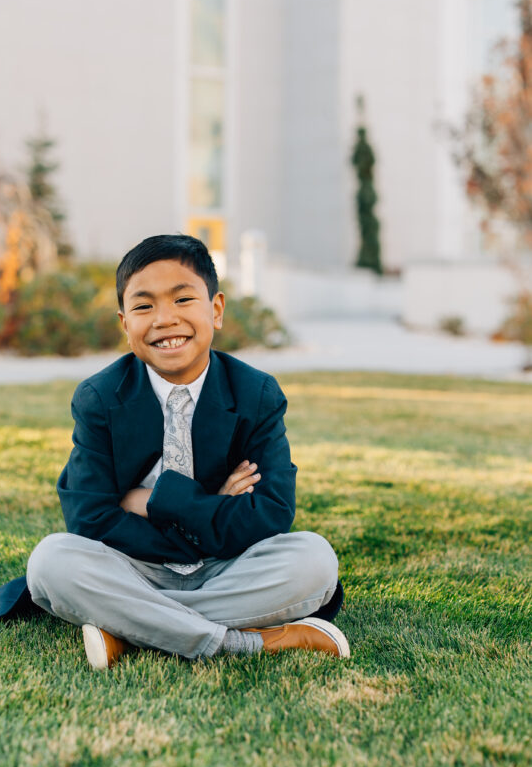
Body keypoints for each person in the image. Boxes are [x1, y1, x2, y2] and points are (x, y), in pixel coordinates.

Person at [24, 234, 348, 669]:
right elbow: (88, 517)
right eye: (144, 306)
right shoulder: (100, 397)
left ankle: (128, 627)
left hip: (228, 567)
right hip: (136, 569)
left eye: (182, 300)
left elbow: (272, 513)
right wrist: (216, 508)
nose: (164, 319)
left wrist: (154, 501)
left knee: (314, 560)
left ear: (215, 310)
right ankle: (247, 642)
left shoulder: (256, 393)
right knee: (51, 562)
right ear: (125, 323)